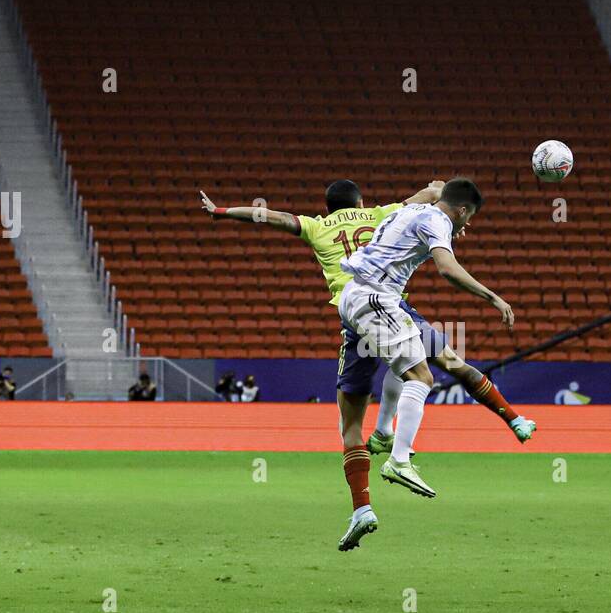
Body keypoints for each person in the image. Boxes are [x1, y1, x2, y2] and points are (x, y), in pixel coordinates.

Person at [201, 177, 532, 551]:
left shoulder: (318, 225)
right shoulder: (381, 213)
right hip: (385, 304)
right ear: (359, 201)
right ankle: (436, 435)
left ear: (329, 208)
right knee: (445, 364)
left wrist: (223, 212)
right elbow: (429, 197)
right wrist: (439, 191)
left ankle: (363, 506)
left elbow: (272, 217)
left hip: (355, 316)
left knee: (350, 424)